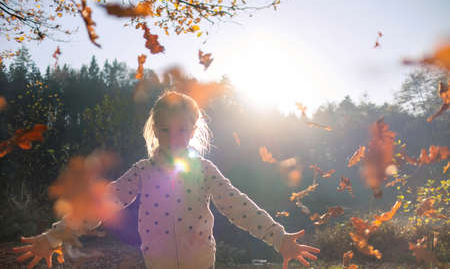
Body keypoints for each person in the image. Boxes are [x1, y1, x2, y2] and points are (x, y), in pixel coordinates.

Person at [13, 90, 320, 269]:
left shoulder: (205, 170)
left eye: (182, 130)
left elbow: (239, 206)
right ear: (155, 130)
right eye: (164, 130)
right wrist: (53, 236)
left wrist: (278, 238)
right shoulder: (142, 172)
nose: (173, 138)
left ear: (194, 129)